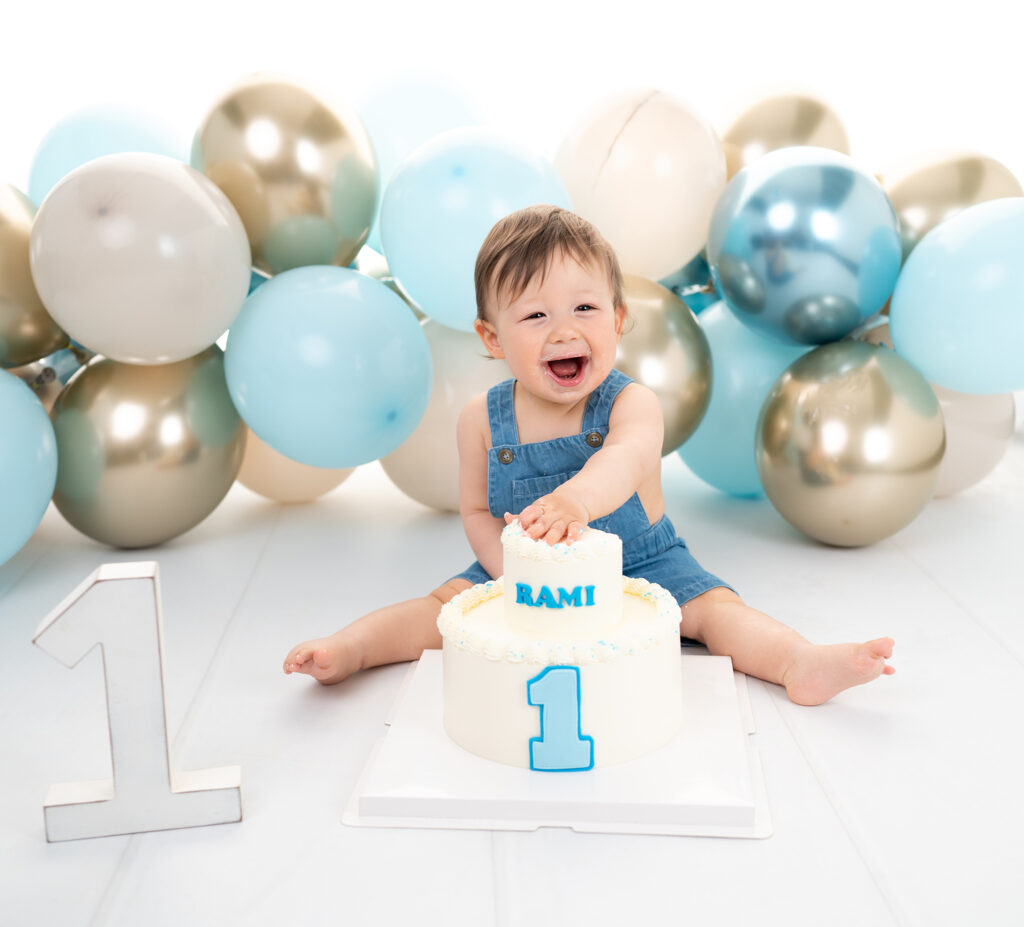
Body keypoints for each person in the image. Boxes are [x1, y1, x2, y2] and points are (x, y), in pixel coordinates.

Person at [283, 205, 894, 705]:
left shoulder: (632, 405)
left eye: (584, 308)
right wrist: (510, 570)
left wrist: (574, 499)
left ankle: (798, 663)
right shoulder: (481, 421)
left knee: (714, 615)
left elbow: (624, 461)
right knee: (442, 610)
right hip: (530, 568)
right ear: (492, 338)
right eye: (534, 315)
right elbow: (474, 510)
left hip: (644, 561)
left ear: (619, 318)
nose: (564, 330)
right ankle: (353, 649)